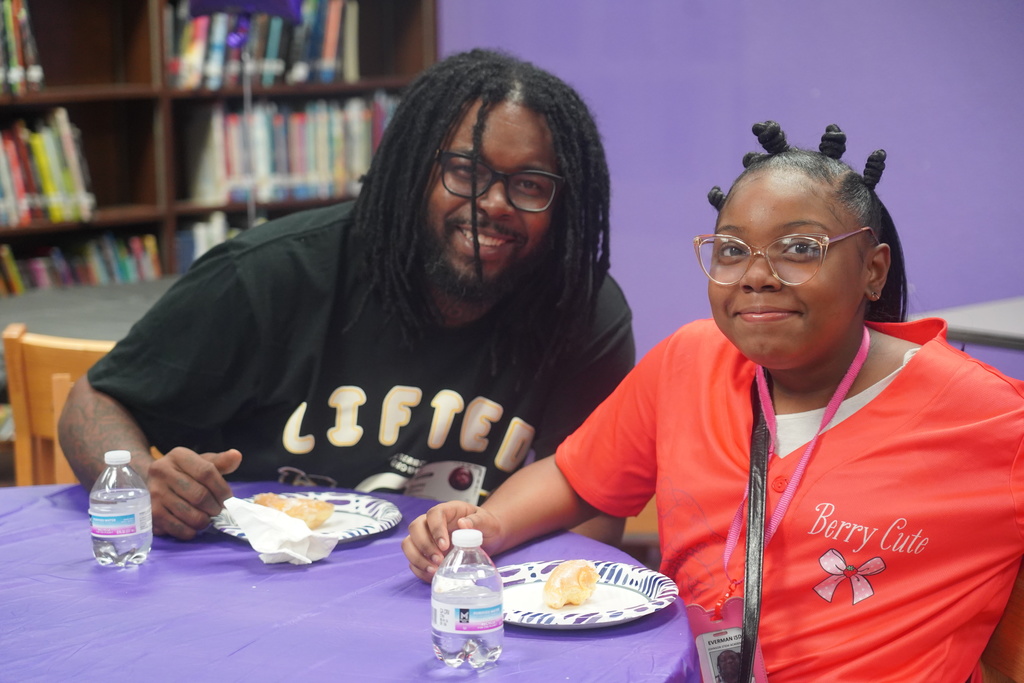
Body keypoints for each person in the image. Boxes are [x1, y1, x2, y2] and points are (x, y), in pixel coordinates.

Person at [403, 121, 1024, 681]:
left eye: (800, 249)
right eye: (732, 250)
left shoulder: (992, 420)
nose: (756, 275)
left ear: (873, 270)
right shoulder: (690, 361)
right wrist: (485, 527)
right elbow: (575, 478)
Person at [58, 49, 635, 543]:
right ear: (414, 168)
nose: (494, 203)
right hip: (263, 584)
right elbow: (96, 400)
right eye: (465, 171)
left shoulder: (580, 312)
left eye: (529, 184)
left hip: (455, 594)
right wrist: (141, 484)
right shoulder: (270, 274)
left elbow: (593, 502)